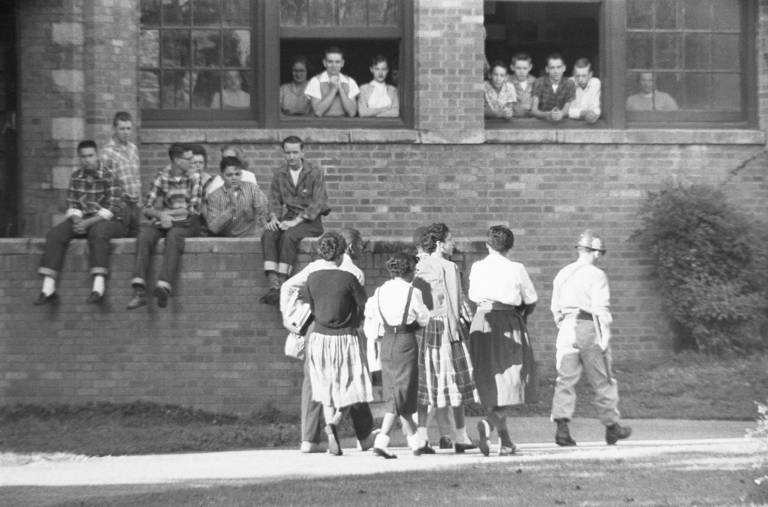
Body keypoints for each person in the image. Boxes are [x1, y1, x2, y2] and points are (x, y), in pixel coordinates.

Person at [280, 228, 378, 454]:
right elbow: (360, 306)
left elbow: (287, 287)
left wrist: (292, 318)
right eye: (361, 247)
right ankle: (362, 435)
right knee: (353, 379)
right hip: (345, 330)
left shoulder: (313, 268)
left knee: (314, 382)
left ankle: (309, 439)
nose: (362, 252)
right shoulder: (354, 273)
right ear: (350, 248)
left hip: (316, 328)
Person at [550, 230, 632, 446]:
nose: (599, 256)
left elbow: (555, 308)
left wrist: (564, 325)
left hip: (567, 326)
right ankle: (612, 426)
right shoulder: (596, 275)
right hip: (589, 326)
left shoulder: (563, 273)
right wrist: (605, 336)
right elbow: (600, 309)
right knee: (603, 379)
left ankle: (562, 428)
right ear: (594, 252)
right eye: (599, 252)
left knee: (564, 380)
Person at [468, 225, 537, 456]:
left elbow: (472, 295)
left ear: (488, 245)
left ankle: (505, 441)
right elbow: (531, 299)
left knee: (491, 380)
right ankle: (488, 424)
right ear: (510, 247)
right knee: (513, 379)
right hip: (507, 319)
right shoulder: (516, 268)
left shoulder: (478, 267)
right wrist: (523, 316)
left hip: (481, 321)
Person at [304, 232, 373, 455]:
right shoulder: (349, 278)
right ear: (343, 251)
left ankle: (330, 429)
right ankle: (333, 422)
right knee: (352, 387)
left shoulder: (312, 277)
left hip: (319, 337)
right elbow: (365, 306)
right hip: (345, 337)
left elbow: (313, 308)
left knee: (325, 389)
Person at [412, 223, 479, 455]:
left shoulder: (419, 266)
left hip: (425, 328)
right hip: (445, 328)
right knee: (456, 383)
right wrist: (454, 334)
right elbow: (454, 302)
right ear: (440, 244)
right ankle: (460, 434)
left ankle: (421, 438)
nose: (454, 244)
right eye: (450, 240)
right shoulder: (449, 267)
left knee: (427, 383)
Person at [35, 140, 125, 305]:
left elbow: (113, 207)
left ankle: (98, 287)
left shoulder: (110, 174)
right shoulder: (76, 176)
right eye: (83, 157)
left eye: (90, 156)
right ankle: (48, 288)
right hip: (83, 219)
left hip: (109, 220)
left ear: (97, 155)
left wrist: (87, 223)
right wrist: (77, 221)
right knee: (54, 234)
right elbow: (72, 204)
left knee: (97, 233)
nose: (87, 160)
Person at [365, 252, 430, 458]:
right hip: (405, 340)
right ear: (408, 270)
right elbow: (424, 319)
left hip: (386, 342)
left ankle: (415, 444)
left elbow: (371, 316)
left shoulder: (380, 291)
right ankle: (382, 440)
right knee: (401, 392)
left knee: (397, 390)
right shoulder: (413, 292)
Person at [127, 143, 201, 310]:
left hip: (188, 222)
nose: (192, 162)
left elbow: (193, 209)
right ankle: (139, 290)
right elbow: (146, 207)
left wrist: (167, 215)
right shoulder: (162, 177)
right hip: (165, 220)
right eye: (188, 159)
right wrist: (161, 215)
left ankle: (164, 286)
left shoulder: (195, 178)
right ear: (176, 160)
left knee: (174, 236)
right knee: (145, 235)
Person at [260, 136, 329, 306]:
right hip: (288, 217)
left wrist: (296, 221)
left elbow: (318, 202)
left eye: (295, 152)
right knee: (269, 234)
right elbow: (274, 200)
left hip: (310, 221)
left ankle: (284, 281)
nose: (291, 157)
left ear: (302, 152)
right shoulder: (280, 174)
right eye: (287, 153)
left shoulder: (314, 172)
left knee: (289, 236)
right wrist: (274, 218)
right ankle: (273, 282)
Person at [203, 156, 268, 238]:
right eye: (229, 175)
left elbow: (264, 213)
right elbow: (213, 228)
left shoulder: (252, 188)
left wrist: (259, 207)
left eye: (237, 174)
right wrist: (231, 209)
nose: (234, 178)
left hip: (252, 237)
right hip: (228, 240)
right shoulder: (214, 196)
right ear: (222, 176)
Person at [100, 111, 141, 237]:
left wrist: (140, 200)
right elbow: (107, 183)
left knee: (135, 240)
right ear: (114, 129)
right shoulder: (107, 152)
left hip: (136, 204)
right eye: (122, 128)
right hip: (121, 205)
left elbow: (136, 176)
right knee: (121, 241)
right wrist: (119, 204)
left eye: (128, 128)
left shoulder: (133, 148)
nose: (125, 132)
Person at [304, 46, 359, 117]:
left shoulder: (350, 82)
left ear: (342, 63)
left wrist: (340, 89)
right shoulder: (315, 81)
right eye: (330, 62)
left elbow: (352, 113)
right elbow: (318, 112)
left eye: (337, 62)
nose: (334, 65)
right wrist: (333, 89)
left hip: (345, 125)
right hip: (320, 126)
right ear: (324, 63)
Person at [531, 53, 576, 123]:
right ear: (547, 69)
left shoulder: (570, 83)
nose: (556, 71)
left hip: (563, 123)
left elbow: (568, 107)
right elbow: (534, 110)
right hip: (542, 123)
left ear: (564, 68)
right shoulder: (539, 82)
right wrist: (547, 114)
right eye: (552, 68)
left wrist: (561, 113)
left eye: (559, 67)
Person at [568, 58, 601, 124]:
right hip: (571, 123)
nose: (580, 79)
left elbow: (596, 108)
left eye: (584, 76)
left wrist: (593, 114)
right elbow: (566, 110)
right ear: (573, 74)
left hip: (591, 124)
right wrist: (583, 113)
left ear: (590, 74)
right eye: (577, 76)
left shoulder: (596, 83)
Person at [509, 53, 536, 118]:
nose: (522, 71)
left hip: (530, 118)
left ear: (530, 67)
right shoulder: (507, 81)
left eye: (525, 68)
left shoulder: (535, 82)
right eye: (518, 68)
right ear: (512, 67)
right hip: (512, 118)